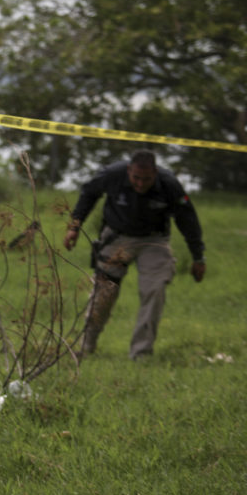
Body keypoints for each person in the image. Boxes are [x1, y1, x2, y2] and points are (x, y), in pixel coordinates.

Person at [63, 149, 206, 360]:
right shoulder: (112, 174)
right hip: (117, 238)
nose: (140, 184)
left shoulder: (170, 184)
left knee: (154, 290)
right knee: (104, 293)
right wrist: (75, 226)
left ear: (155, 173)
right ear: (129, 170)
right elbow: (89, 193)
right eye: (136, 178)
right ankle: (85, 346)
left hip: (154, 240)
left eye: (146, 179)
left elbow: (187, 218)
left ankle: (141, 354)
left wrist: (198, 256)